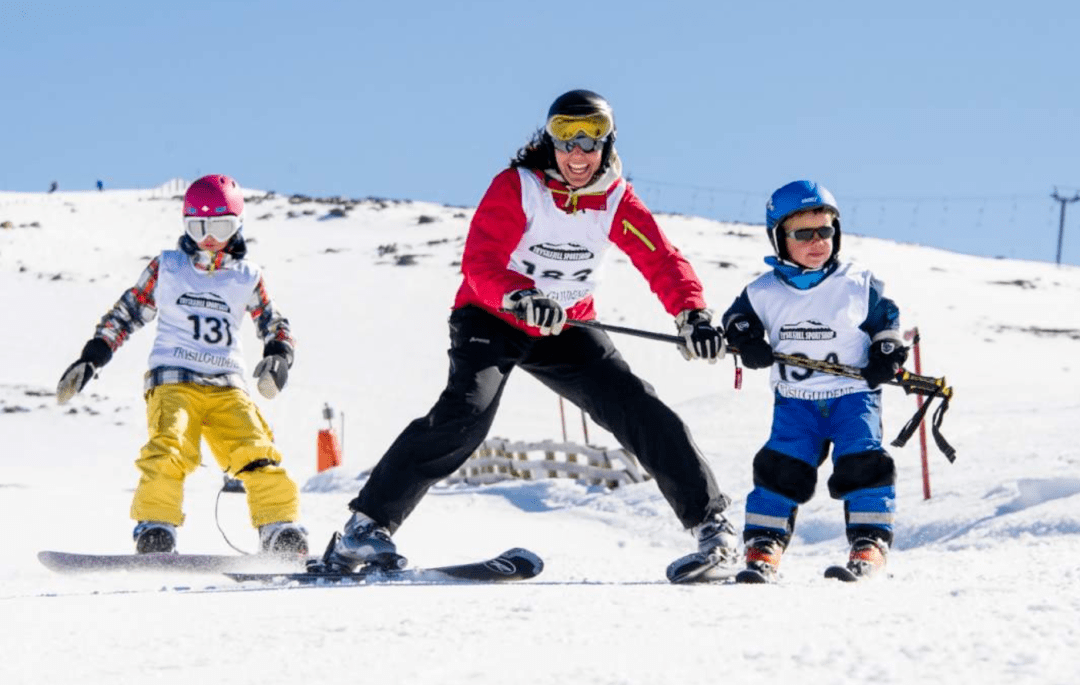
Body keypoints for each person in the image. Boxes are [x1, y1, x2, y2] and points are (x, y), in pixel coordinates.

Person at [322, 89, 737, 573]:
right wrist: (519, 296)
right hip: (492, 316)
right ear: (549, 140)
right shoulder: (519, 187)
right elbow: (480, 261)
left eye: (590, 140)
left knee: (637, 407)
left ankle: (713, 529)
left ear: (608, 142)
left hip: (568, 324)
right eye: (565, 138)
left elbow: (661, 259)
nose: (577, 153)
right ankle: (363, 530)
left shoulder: (616, 199)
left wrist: (693, 315)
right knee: (465, 415)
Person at [56, 174, 308, 556]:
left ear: (237, 225)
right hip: (174, 380)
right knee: (169, 448)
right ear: (186, 225)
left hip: (227, 386)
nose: (209, 237)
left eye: (221, 226)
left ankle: (278, 528)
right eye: (198, 226)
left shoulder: (247, 277)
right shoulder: (169, 268)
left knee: (255, 449)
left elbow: (273, 322)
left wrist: (278, 356)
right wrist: (93, 357)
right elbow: (126, 314)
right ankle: (156, 526)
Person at [721, 180, 908, 583]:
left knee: (863, 460)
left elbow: (886, 322)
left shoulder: (858, 283)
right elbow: (736, 320)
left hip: (853, 396)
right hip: (796, 400)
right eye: (803, 234)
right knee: (781, 466)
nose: (817, 241)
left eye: (825, 231)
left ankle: (869, 541)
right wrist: (747, 339)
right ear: (779, 238)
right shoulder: (763, 291)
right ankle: (763, 545)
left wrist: (887, 350)